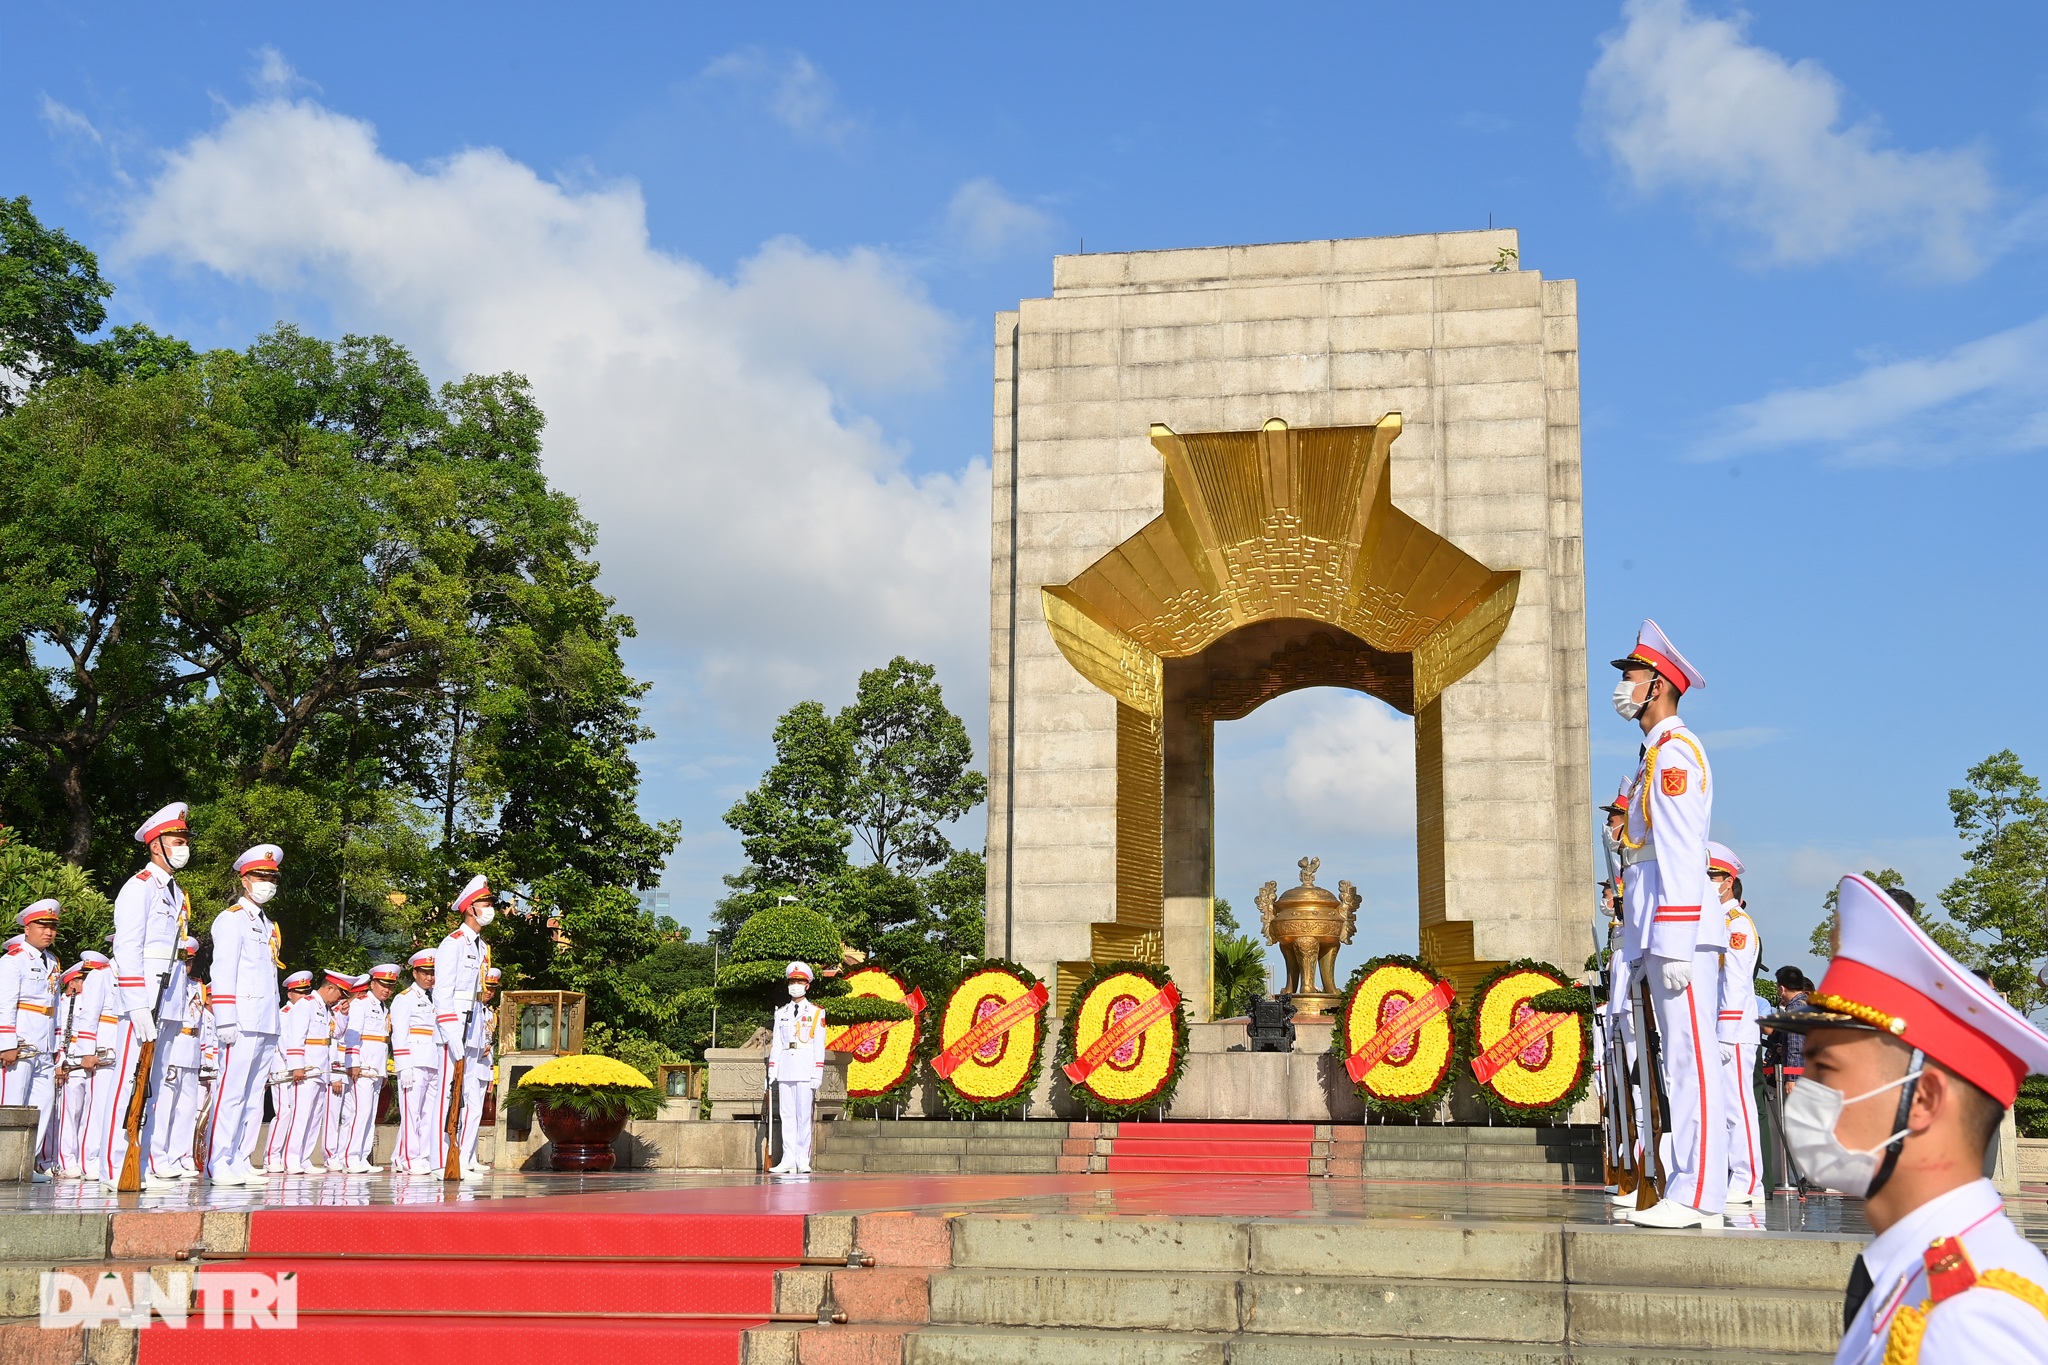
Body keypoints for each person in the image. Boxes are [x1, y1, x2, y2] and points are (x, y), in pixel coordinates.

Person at [1764, 873, 2048, 1364]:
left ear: (1924, 1100)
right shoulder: (1914, 1277)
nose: (1806, 1093)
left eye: (1826, 1069)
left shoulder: (1971, 1323)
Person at [1610, 619, 1725, 1228]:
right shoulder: (1654, 756)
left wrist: (1675, 938)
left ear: (1656, 684)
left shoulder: (1677, 755)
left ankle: (1699, 1189)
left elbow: (1682, 852)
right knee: (1672, 1059)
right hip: (1657, 924)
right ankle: (1682, 1180)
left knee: (1691, 1059)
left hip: (1679, 927)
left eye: (1629, 675)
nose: (1622, 687)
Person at [92, 803, 192, 1191]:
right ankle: (113, 1166)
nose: (183, 847)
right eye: (176, 840)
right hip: (143, 998)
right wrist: (135, 1002)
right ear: (156, 845)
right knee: (127, 1084)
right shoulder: (138, 887)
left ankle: (140, 1162)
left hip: (168, 998)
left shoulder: (174, 891)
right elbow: (128, 948)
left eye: (184, 841)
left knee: (149, 1086)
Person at [202, 845, 286, 1185]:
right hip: (241, 1019)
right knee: (231, 1090)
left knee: (253, 1094)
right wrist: (224, 1016)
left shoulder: (267, 923)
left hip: (265, 1018)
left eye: (272, 878)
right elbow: (222, 969)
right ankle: (218, 1159)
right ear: (245, 880)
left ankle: (240, 1156)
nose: (267, 883)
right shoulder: (232, 919)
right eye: (260, 876)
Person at [1707, 842, 1764, 1207]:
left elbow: (1737, 981)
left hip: (1735, 1030)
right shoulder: (1713, 921)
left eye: (1712, 875)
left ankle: (1749, 1180)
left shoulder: (1736, 924)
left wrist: (1725, 1032)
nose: (1706, 881)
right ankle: (1734, 1175)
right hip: (1717, 1027)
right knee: (1722, 1108)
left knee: (1737, 1106)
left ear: (1728, 880)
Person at [431, 875, 494, 1178]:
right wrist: (450, 1032)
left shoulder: (481, 947)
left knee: (467, 1096)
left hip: (473, 1028)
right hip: (454, 1029)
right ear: (470, 907)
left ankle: (461, 1155)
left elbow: (478, 996)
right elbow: (442, 992)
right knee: (447, 1094)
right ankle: (440, 1159)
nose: (490, 908)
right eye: (485, 902)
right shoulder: (453, 943)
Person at [0, 902, 63, 1180]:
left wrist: (58, 1045)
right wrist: (6, 1042)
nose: (48, 932)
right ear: (27, 928)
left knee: (43, 1104)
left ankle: (25, 1162)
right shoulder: (13, 960)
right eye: (42, 926)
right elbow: (5, 1003)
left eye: (52, 927)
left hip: (45, 1044)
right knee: (12, 1103)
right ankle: (4, 1162)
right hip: (22, 1042)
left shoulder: (51, 961)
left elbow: (55, 1006)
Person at [143, 937, 205, 1184]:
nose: (187, 966)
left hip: (191, 1051)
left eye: (189, 961)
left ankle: (182, 1156)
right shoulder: (169, 985)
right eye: (183, 960)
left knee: (187, 1109)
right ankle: (158, 1157)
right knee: (164, 1107)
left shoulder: (197, 986)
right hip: (173, 1048)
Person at [768, 961, 827, 1175]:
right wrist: (772, 1069)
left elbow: (819, 1046)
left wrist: (816, 1073)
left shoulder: (817, 1013)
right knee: (787, 1115)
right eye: (792, 981)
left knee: (803, 1116)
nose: (795, 985)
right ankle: (788, 1158)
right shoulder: (781, 1012)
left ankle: (802, 1159)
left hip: (804, 1069)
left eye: (800, 981)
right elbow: (777, 1043)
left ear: (807, 985)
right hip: (785, 1068)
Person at [59, 954, 114, 1179]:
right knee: (72, 1113)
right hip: (74, 1058)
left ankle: (91, 1158)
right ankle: (69, 1159)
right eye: (83, 977)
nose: (87, 981)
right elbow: (61, 1031)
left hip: (94, 1055)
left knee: (94, 1109)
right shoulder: (67, 1003)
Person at [342, 965, 399, 1173]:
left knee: (371, 1112)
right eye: (383, 984)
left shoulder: (383, 1007)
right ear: (373, 983)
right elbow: (352, 1035)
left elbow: (383, 1042)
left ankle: (362, 1156)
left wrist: (383, 1070)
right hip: (363, 1065)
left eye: (390, 986)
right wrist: (353, 1062)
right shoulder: (361, 1003)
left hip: (376, 1067)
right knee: (361, 1111)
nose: (386, 989)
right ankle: (350, 1156)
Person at [391, 949, 440, 1174]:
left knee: (428, 1112)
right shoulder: (405, 999)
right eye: (425, 972)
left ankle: (421, 1154)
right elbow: (399, 1034)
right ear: (415, 972)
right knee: (411, 1112)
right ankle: (409, 1157)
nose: (429, 977)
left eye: (432, 972)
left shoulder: (437, 997)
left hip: (433, 1061)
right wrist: (403, 1065)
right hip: (414, 1061)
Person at [457, 967, 499, 1176]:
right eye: (486, 987)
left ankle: (470, 1156)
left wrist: (491, 1075)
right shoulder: (471, 1010)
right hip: (471, 1065)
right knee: (470, 1113)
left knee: (477, 1113)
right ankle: (462, 1158)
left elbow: (490, 1045)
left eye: (492, 988)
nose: (489, 992)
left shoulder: (490, 1014)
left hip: (483, 1068)